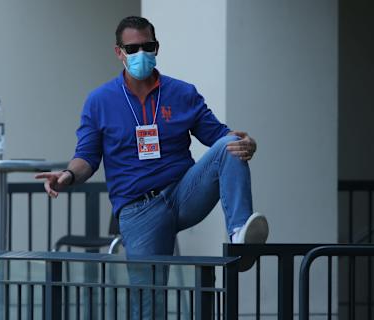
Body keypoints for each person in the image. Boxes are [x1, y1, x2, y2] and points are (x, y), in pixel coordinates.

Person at [36, 15, 269, 318]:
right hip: (138, 208)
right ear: (118, 52)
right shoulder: (99, 101)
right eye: (132, 49)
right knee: (149, 307)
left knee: (229, 145)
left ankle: (239, 235)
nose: (140, 54)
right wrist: (67, 176)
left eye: (147, 46)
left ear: (157, 47)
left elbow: (220, 136)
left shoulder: (183, 93)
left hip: (183, 192)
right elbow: (87, 157)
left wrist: (248, 143)